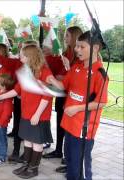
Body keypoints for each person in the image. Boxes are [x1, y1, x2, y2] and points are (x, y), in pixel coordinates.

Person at [48, 31, 108, 180]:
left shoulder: (100, 73)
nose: (77, 50)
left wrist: (77, 108)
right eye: (77, 46)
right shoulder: (76, 67)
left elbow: (100, 102)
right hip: (69, 125)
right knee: (70, 163)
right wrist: (50, 80)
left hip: (83, 129)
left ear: (95, 48)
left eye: (82, 47)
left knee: (79, 168)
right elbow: (64, 85)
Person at [0, 45, 54, 179]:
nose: (19, 57)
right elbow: (16, 90)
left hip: (39, 115)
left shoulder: (45, 72)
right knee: (27, 140)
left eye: (22, 55)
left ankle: (33, 168)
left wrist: (37, 114)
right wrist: (0, 96)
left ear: (30, 57)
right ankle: (26, 164)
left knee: (37, 142)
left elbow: (48, 95)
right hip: (26, 112)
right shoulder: (25, 71)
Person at [43, 26, 83, 173]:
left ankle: (69, 158)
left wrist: (64, 72)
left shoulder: (77, 56)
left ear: (74, 37)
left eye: (67, 36)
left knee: (70, 128)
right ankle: (60, 150)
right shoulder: (65, 53)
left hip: (72, 97)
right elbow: (59, 73)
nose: (65, 38)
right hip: (62, 93)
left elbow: (66, 76)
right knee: (61, 124)